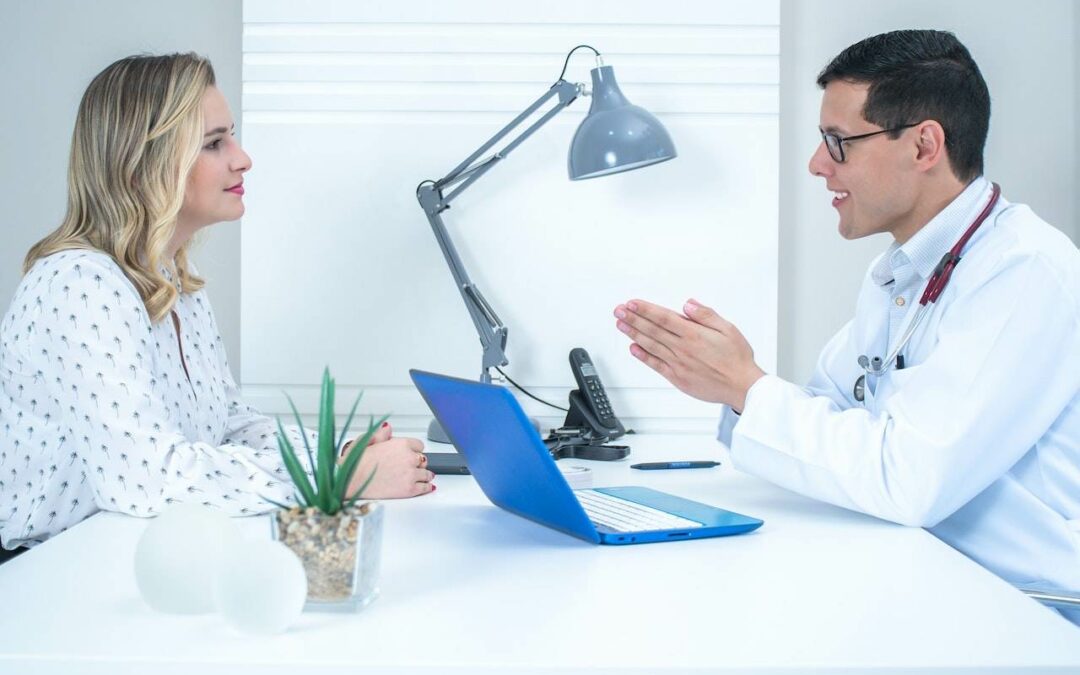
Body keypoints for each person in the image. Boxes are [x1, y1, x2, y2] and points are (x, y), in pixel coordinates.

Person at [613, 30, 1080, 624]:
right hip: (928, 576)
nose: (816, 164)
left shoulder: (1023, 270)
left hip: (1027, 607)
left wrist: (745, 388)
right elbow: (828, 421)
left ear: (924, 145)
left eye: (838, 142)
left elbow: (909, 479)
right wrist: (730, 385)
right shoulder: (899, 275)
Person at [0, 53, 435, 554]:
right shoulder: (78, 284)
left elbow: (231, 427)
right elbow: (144, 480)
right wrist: (339, 480)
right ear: (143, 166)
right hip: (52, 574)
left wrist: (334, 455)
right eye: (214, 143)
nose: (242, 158)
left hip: (132, 553)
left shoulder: (174, 282)